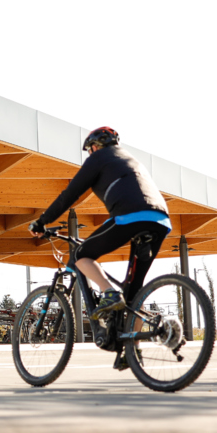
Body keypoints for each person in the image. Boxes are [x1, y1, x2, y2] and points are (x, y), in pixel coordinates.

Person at [28, 127, 172, 319]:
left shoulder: (98, 158)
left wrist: (42, 222)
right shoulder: (132, 160)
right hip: (160, 220)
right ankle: (133, 346)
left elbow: (69, 195)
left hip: (129, 216)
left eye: (89, 150)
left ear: (94, 147)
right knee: (134, 293)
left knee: (81, 254)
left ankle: (109, 292)